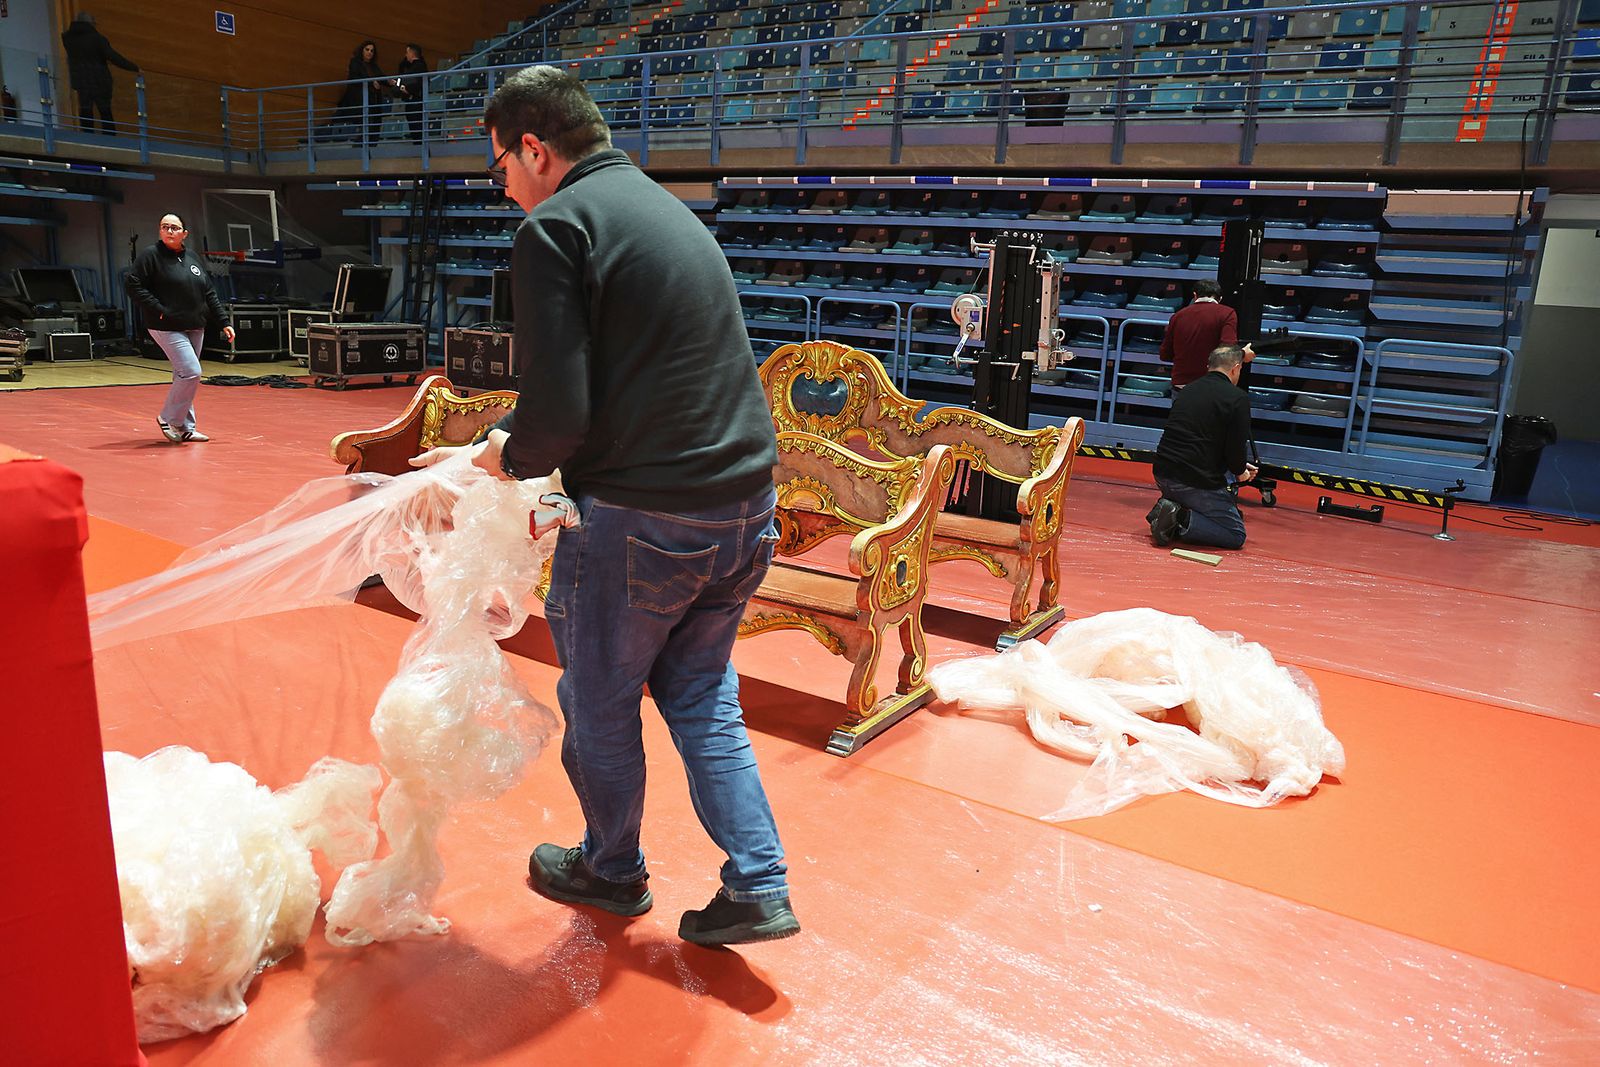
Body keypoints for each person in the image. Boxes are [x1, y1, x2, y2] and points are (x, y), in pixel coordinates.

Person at [414, 66, 796, 946]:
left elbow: (558, 413)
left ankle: (611, 868)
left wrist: (489, 460)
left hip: (644, 522)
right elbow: (615, 387)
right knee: (703, 697)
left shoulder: (557, 227)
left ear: (535, 149)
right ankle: (759, 881)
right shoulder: (662, 211)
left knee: (600, 699)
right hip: (743, 508)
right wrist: (505, 448)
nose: (504, 186)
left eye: (500, 166)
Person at [125, 214, 235, 443]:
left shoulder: (192, 258)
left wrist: (223, 321)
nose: (169, 231)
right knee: (191, 371)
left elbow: (209, 292)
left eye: (174, 227)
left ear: (184, 233)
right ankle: (168, 418)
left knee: (184, 376)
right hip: (165, 325)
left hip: (195, 325)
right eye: (165, 227)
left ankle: (185, 428)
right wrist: (159, 308)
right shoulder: (150, 256)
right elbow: (132, 284)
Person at [1147, 345, 1256, 550]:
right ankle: (1180, 517)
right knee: (1235, 535)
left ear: (1209, 366)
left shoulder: (1188, 390)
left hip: (1163, 472)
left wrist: (1239, 465)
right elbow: (1234, 447)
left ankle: (1171, 508)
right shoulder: (1237, 398)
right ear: (1235, 369)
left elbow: (1199, 438)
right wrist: (1240, 471)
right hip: (1194, 480)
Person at [1159, 278, 1252, 389]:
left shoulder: (1177, 316)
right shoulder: (1227, 313)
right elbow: (1227, 350)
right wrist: (1243, 354)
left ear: (1195, 295)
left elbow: (1165, 354)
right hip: (1211, 385)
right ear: (1220, 298)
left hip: (1181, 385)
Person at [60, 12, 139, 135]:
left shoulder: (68, 38)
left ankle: (87, 137)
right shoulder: (97, 39)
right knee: (105, 110)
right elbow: (113, 57)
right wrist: (134, 68)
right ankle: (109, 138)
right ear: (91, 23)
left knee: (85, 109)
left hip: (80, 80)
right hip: (99, 79)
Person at [336, 41, 388, 144]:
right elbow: (355, 78)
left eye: (372, 51)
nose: (370, 52)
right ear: (362, 50)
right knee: (366, 127)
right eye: (367, 50)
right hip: (361, 100)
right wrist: (371, 82)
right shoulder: (355, 62)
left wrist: (390, 81)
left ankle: (372, 149)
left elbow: (381, 77)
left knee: (375, 126)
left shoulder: (374, 66)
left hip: (374, 101)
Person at [394, 44, 429, 141]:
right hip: (414, 100)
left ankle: (420, 149)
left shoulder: (417, 67)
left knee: (416, 127)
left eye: (407, 52)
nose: (406, 55)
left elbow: (413, 84)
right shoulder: (417, 66)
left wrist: (405, 89)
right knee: (415, 126)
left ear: (411, 53)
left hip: (415, 101)